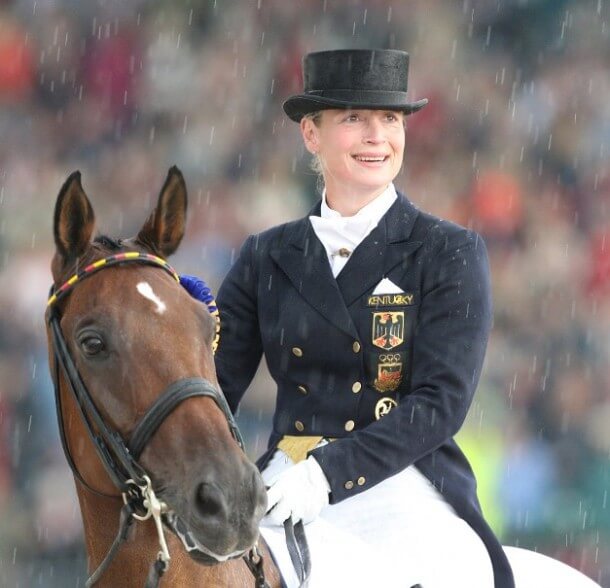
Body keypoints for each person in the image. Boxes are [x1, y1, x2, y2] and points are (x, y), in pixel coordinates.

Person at [182, 49, 514, 588]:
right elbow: (216, 390)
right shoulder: (266, 254)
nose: (375, 136)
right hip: (286, 478)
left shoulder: (449, 251)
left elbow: (441, 403)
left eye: (389, 119)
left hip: (405, 479)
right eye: (354, 119)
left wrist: (330, 473)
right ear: (311, 134)